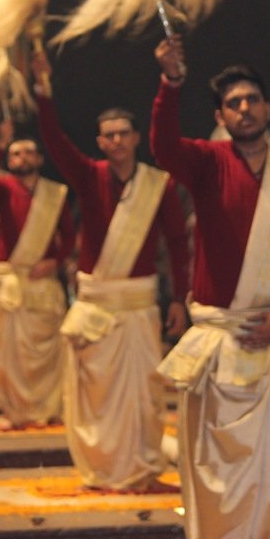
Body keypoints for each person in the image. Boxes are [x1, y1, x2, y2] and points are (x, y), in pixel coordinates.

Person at [152, 37, 270, 539]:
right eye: (233, 103)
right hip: (218, 339)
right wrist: (170, 83)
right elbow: (163, 148)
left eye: (252, 99)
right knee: (210, 471)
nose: (244, 108)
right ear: (221, 116)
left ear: (268, 108)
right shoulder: (206, 164)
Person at [30, 49, 190, 490]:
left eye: (123, 133)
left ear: (137, 137)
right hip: (96, 307)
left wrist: (180, 297)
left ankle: (140, 468)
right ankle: (102, 469)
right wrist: (43, 89)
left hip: (140, 307)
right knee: (94, 399)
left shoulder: (159, 185)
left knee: (144, 397)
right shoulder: (87, 175)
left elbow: (178, 243)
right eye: (108, 136)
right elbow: (55, 140)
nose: (116, 141)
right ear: (100, 143)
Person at [0, 120, 74, 428]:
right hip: (13, 284)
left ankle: (47, 409)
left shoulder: (54, 193)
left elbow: (69, 236)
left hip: (43, 284)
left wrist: (55, 261)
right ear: (9, 160)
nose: (23, 158)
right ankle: (17, 412)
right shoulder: (3, 188)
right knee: (10, 356)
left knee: (48, 355)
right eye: (16, 153)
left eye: (29, 152)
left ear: (40, 159)